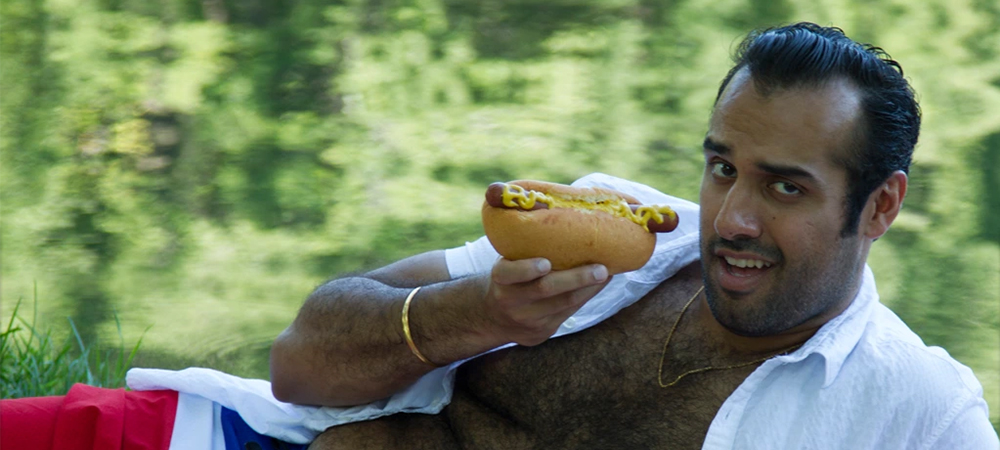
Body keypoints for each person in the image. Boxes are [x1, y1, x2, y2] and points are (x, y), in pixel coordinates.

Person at [268, 22, 1000, 449]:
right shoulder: (610, 230)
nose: (731, 219)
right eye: (722, 169)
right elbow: (298, 365)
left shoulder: (923, 412)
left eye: (786, 188)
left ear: (879, 207)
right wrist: (478, 313)